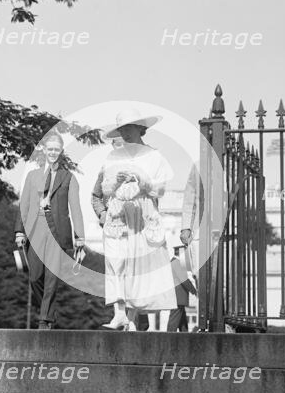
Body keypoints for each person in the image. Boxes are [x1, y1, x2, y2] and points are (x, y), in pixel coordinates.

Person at [92, 108, 177, 330]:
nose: (126, 132)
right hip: (119, 214)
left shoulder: (154, 155)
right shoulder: (113, 156)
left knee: (138, 265)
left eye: (129, 127)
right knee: (116, 261)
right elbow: (105, 188)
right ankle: (118, 312)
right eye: (122, 128)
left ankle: (131, 316)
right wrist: (117, 182)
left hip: (142, 212)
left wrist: (142, 180)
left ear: (141, 128)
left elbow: (159, 190)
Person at [14, 133, 85, 329]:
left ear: (61, 152)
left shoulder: (68, 178)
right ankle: (49, 312)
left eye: (57, 149)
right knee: (35, 276)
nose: (53, 152)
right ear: (44, 150)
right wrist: (19, 231)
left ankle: (44, 320)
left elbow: (75, 208)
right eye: (50, 149)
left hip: (58, 232)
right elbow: (24, 205)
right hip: (35, 230)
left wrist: (80, 236)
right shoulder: (32, 176)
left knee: (52, 277)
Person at [167, 247, 198, 332]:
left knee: (182, 322)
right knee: (173, 322)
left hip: (178, 297)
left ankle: (185, 337)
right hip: (178, 297)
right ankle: (168, 339)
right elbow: (184, 279)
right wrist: (194, 291)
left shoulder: (175, 262)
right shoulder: (175, 262)